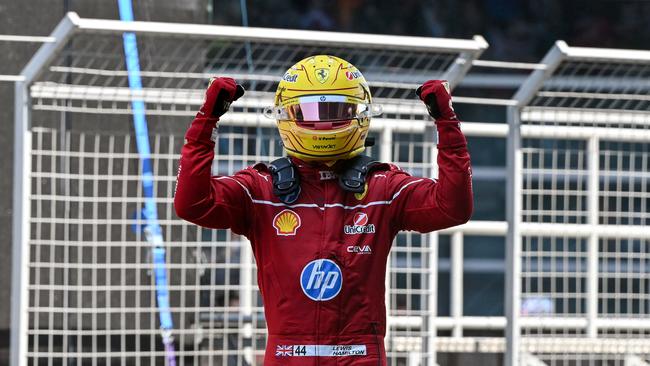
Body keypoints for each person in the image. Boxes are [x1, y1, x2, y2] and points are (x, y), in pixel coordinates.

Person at [174, 55, 473, 366]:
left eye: (336, 111)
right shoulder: (261, 188)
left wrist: (447, 124)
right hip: (287, 356)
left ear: (360, 113)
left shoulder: (382, 187)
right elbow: (193, 204)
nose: (323, 123)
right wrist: (206, 120)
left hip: (360, 356)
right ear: (285, 114)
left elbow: (451, 208)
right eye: (309, 112)